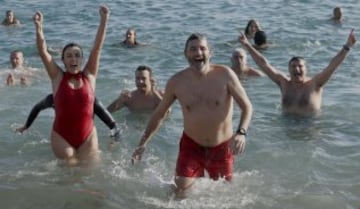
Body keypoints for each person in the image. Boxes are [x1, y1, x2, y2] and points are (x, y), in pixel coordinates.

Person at [132, 33, 253, 198]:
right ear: (186, 54)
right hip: (191, 147)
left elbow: (247, 107)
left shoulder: (225, 75)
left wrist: (242, 132)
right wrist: (142, 144)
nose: (198, 53)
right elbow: (159, 114)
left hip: (222, 147)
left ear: (210, 52)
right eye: (193, 49)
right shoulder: (176, 82)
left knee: (225, 197)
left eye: (202, 48)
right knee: (179, 193)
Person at [32, 5, 109, 166]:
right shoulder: (57, 77)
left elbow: (97, 49)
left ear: (81, 59)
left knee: (91, 171)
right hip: (62, 136)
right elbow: (43, 52)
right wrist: (39, 28)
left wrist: (103, 21)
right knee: (70, 169)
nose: (73, 59)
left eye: (77, 55)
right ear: (63, 60)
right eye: (69, 56)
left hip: (88, 135)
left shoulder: (89, 75)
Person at [238, 29, 356, 116]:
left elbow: (332, 66)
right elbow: (264, 64)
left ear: (306, 69)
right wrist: (247, 45)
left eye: (300, 66)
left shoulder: (315, 84)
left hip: (309, 129)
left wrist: (347, 46)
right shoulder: (284, 83)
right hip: (286, 128)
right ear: (289, 70)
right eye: (293, 66)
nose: (297, 69)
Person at [15, 94, 121, 141]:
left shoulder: (90, 100)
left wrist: (113, 142)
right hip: (63, 139)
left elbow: (113, 125)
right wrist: (26, 126)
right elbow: (37, 108)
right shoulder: (54, 98)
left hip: (85, 140)